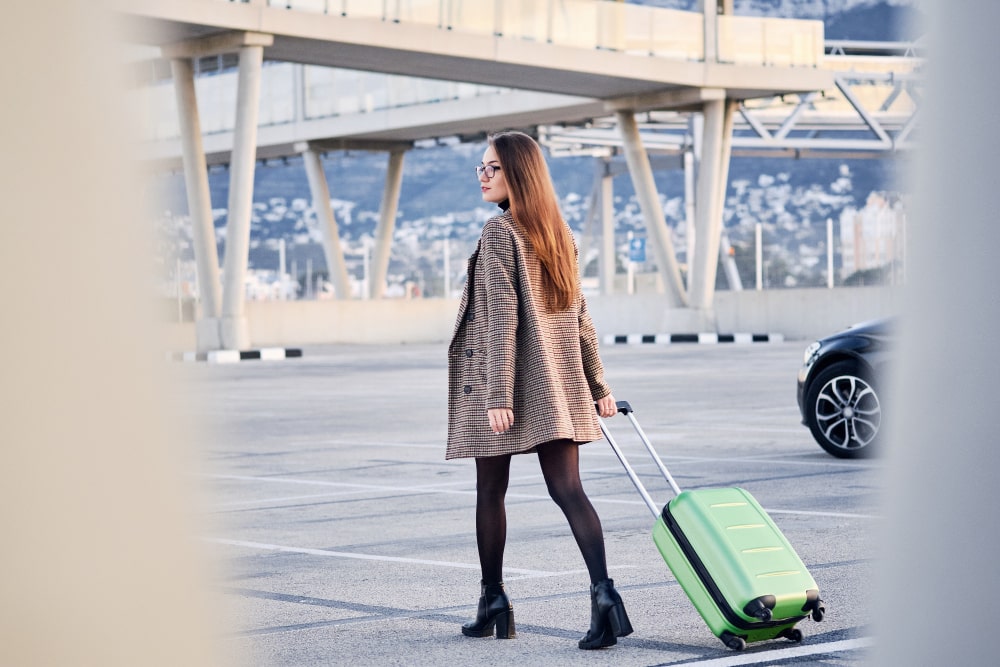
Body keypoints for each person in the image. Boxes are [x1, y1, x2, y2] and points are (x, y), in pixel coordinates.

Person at [446, 131, 632, 650]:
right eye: (480, 168)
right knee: (569, 491)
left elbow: (501, 316)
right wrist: (597, 386)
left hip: (505, 385)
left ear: (518, 175)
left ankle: (494, 601)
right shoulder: (560, 234)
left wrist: (498, 394)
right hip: (558, 384)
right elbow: (581, 318)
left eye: (493, 169)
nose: (482, 175)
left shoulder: (500, 233)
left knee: (490, 491)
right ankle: (604, 597)